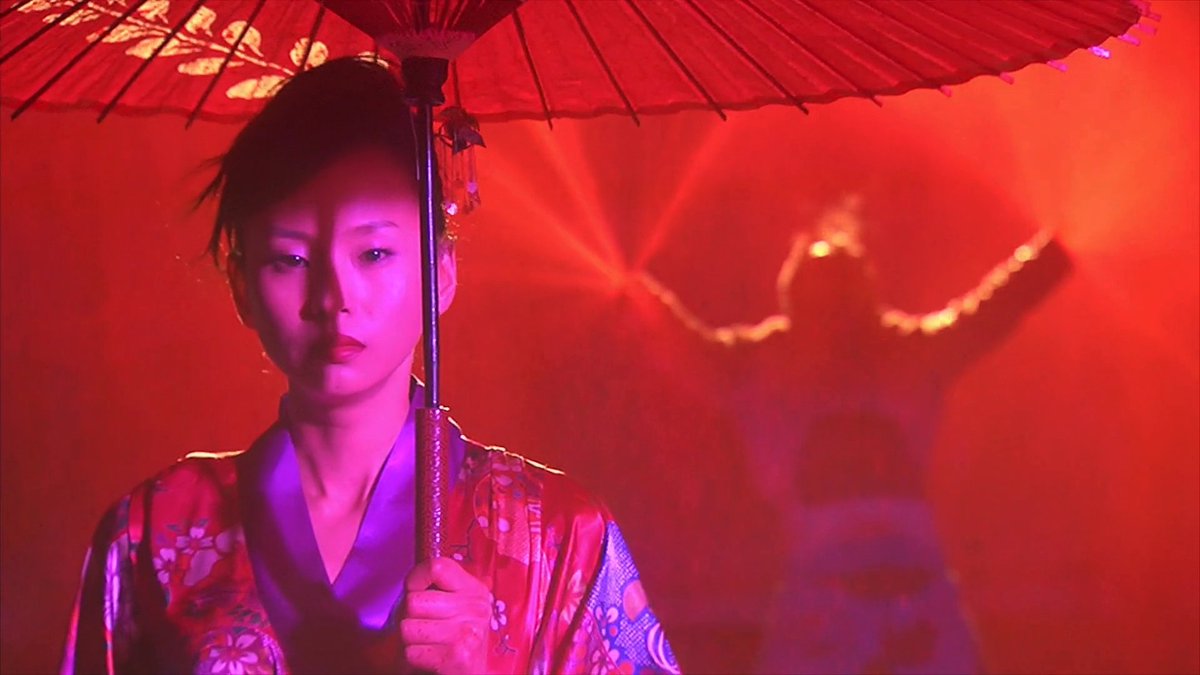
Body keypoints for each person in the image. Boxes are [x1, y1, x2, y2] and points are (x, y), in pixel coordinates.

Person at [61, 57, 679, 675]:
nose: (334, 297)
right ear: (241, 286)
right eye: (290, 259)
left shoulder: (559, 533)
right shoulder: (153, 530)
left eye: (375, 253)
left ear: (441, 271)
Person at [640, 196, 1071, 674]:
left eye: (835, 294)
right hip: (886, 597)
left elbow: (679, 342)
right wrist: (1059, 249)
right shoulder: (877, 357)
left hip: (865, 599)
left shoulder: (775, 364)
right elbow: (995, 309)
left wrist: (630, 285)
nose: (831, 316)